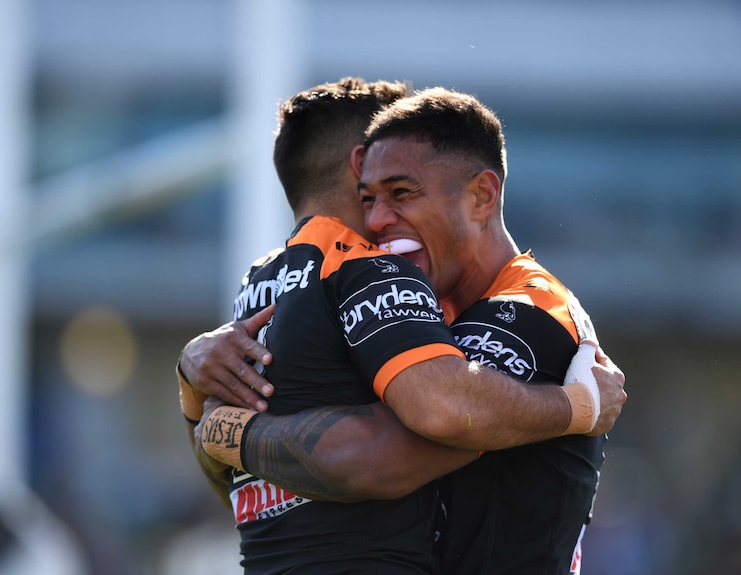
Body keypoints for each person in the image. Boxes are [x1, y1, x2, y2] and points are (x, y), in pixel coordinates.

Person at [177, 80, 626, 574]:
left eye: (401, 194)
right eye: (367, 198)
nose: (379, 220)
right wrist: (194, 379)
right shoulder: (407, 321)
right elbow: (289, 494)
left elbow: (376, 458)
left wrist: (232, 433)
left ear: (481, 197)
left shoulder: (534, 310)